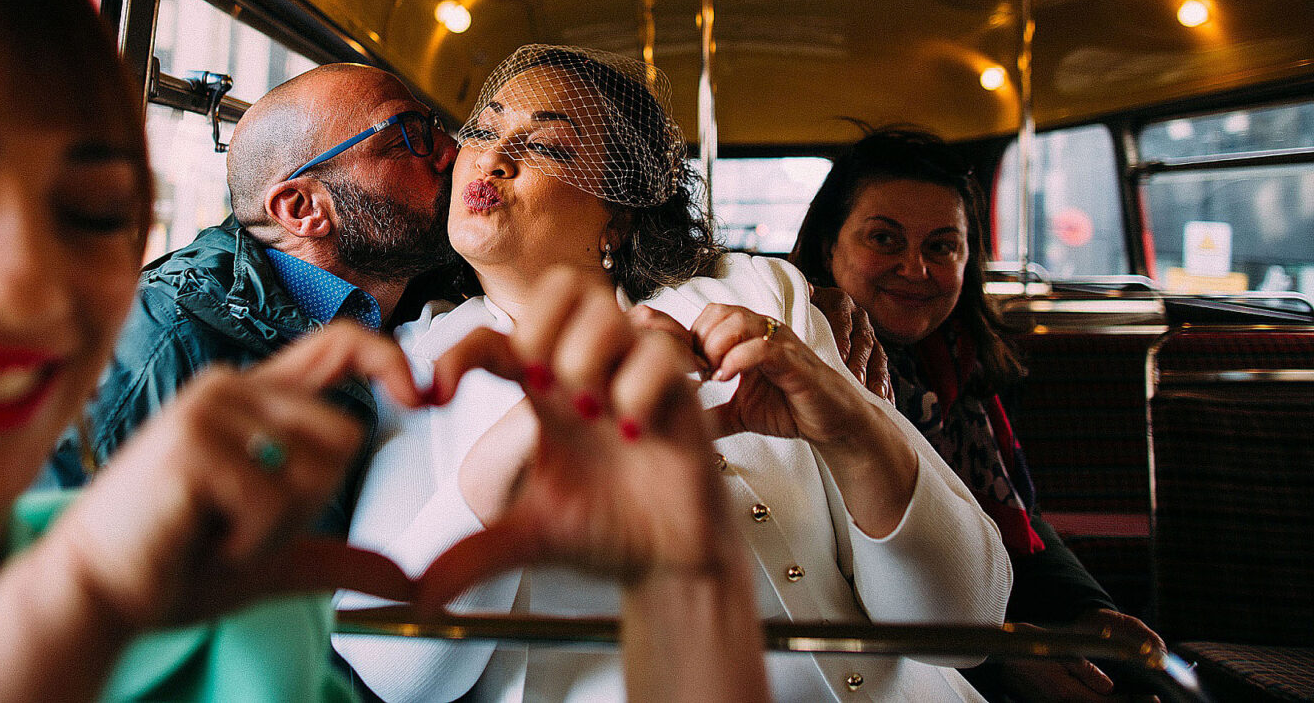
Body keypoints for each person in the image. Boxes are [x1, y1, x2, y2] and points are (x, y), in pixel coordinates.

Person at [0, 0, 768, 703]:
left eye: (92, 212)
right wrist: (72, 597)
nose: (26, 286)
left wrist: (688, 574)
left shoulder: (248, 613)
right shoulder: (170, 381)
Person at [336, 45, 1012, 702]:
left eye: (546, 145)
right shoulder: (421, 360)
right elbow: (398, 672)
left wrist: (851, 426)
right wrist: (524, 438)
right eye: (483, 128)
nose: (494, 156)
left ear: (618, 218)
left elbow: (967, 623)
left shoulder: (755, 291)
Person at [789, 127, 1166, 702]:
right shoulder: (805, 376)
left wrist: (1087, 610)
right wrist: (1001, 657)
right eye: (885, 239)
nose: (915, 269)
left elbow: (1009, 516)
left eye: (941, 246)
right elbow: (837, 572)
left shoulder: (957, 365)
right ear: (828, 248)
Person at [44, 62, 461, 531]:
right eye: (406, 136)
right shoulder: (159, 339)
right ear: (302, 209)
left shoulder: (435, 305)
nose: (449, 151)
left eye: (434, 126)